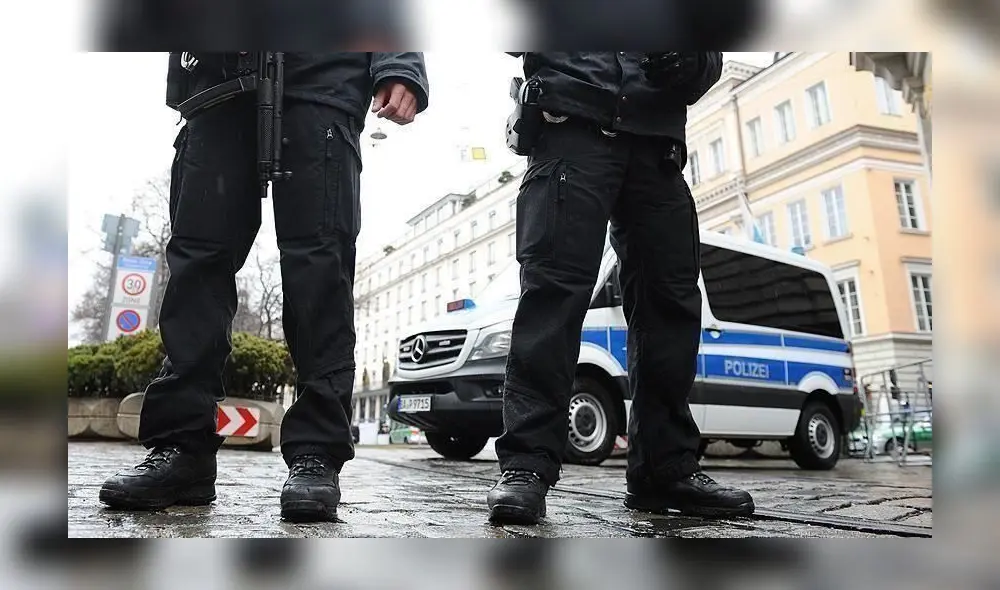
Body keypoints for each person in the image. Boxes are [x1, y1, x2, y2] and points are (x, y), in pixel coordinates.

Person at [100, 52, 428, 523]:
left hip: (322, 75)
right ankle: (181, 449)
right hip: (217, 79)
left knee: (320, 268)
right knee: (198, 264)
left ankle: (316, 453)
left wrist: (400, 62)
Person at [487, 52, 754, 525]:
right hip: (572, 123)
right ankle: (526, 465)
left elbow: (707, 53)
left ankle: (664, 467)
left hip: (657, 145)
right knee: (553, 296)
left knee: (670, 305)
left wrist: (693, 61)